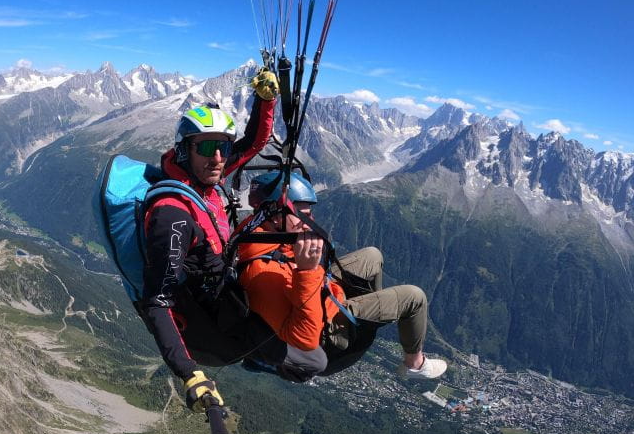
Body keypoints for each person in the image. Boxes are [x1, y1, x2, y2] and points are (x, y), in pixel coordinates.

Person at [140, 70, 294, 412]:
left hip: (225, 291)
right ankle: (263, 357)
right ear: (184, 150)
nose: (219, 158)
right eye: (208, 147)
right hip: (211, 323)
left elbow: (253, 143)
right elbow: (157, 302)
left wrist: (266, 100)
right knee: (300, 355)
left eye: (223, 147)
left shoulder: (205, 174)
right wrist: (189, 373)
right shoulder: (173, 214)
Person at [236, 171, 448, 381]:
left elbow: (287, 270)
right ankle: (414, 364)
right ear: (275, 215)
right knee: (414, 297)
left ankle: (369, 317)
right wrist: (307, 271)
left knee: (372, 256)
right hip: (327, 336)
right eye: (302, 215)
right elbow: (305, 339)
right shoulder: (262, 275)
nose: (310, 220)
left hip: (317, 294)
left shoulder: (258, 232)